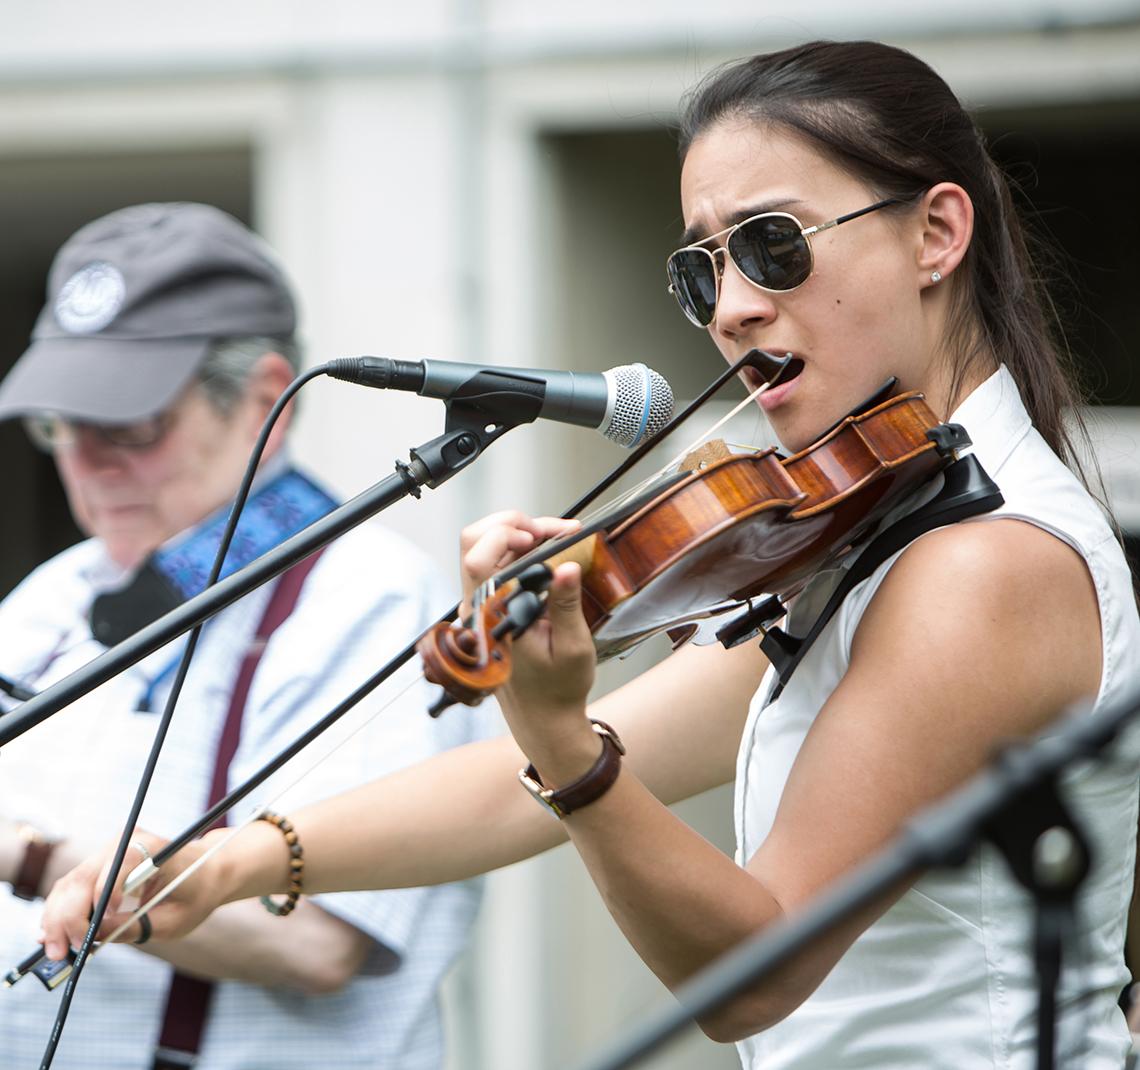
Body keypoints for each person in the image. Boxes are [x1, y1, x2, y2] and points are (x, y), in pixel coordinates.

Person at [42, 41, 1140, 1068]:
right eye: (704, 272)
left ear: (937, 234)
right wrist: (231, 857)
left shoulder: (985, 562)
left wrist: (561, 736)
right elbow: (516, 786)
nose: (738, 309)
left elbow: (751, 970)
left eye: (773, 246)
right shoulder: (887, 532)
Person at [0, 203, 485, 1070]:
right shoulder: (50, 595)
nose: (88, 460)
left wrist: (26, 855)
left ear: (267, 399)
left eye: (132, 422)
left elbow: (319, 941)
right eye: (62, 425)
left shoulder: (371, 599)